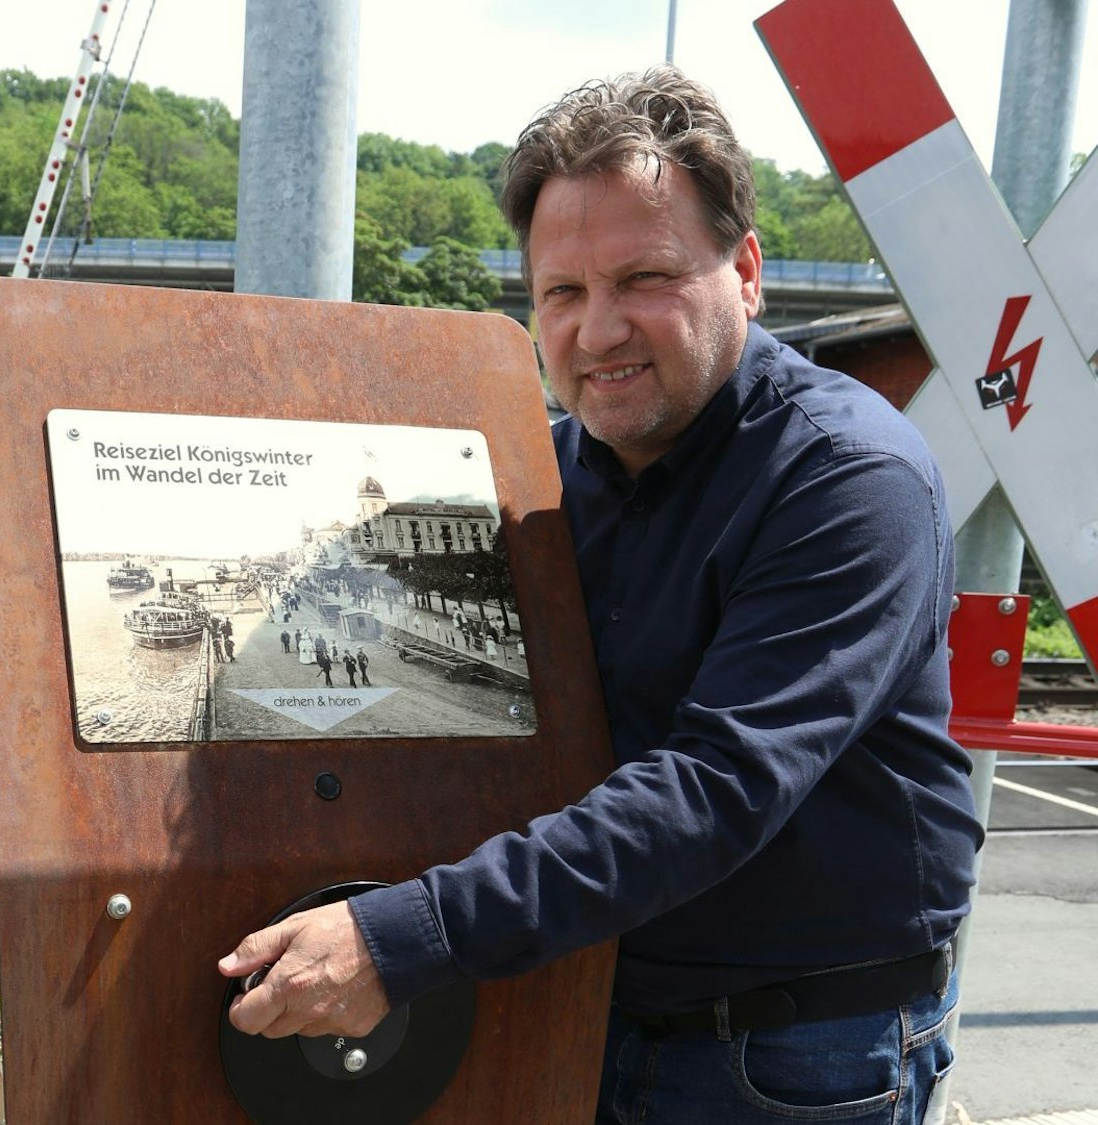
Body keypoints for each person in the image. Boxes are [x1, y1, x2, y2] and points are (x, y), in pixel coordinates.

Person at [220, 66, 978, 1125]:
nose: (597, 330)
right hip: (581, 1007)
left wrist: (402, 938)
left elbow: (715, 787)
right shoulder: (548, 473)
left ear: (745, 271)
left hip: (794, 1053)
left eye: (644, 279)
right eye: (562, 295)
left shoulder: (847, 477)